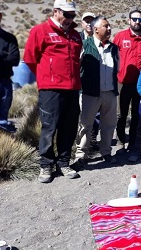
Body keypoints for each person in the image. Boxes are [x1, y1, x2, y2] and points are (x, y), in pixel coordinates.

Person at [24, 0, 82, 183]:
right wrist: (46, 78)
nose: (69, 19)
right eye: (66, 15)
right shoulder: (40, 31)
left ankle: (64, 162)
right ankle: (46, 165)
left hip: (72, 89)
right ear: (56, 11)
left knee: (69, 127)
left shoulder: (74, 35)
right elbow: (30, 59)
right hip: (51, 89)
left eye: (72, 15)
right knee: (49, 127)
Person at [75, 16, 118, 165]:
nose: (109, 29)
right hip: (90, 93)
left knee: (108, 124)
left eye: (109, 26)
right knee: (86, 125)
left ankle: (106, 152)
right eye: (106, 26)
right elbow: (77, 67)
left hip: (110, 93)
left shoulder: (113, 48)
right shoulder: (85, 46)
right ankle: (81, 154)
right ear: (96, 29)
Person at [113, 10, 141, 152]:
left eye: (140, 19)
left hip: (140, 85)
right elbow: (112, 58)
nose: (137, 22)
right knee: (120, 114)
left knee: (137, 114)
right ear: (129, 20)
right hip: (122, 82)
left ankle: (133, 142)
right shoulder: (120, 37)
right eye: (134, 19)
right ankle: (120, 141)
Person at [0, 1, 20, 124]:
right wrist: (2, 54)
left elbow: (15, 60)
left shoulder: (9, 38)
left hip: (4, 83)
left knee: (1, 122)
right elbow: (8, 58)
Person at [78, 11, 100, 152]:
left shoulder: (100, 40)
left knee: (96, 116)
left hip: (97, 84)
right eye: (86, 21)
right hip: (81, 85)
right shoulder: (77, 39)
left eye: (92, 21)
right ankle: (80, 146)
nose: (89, 24)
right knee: (82, 117)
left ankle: (92, 141)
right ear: (82, 23)